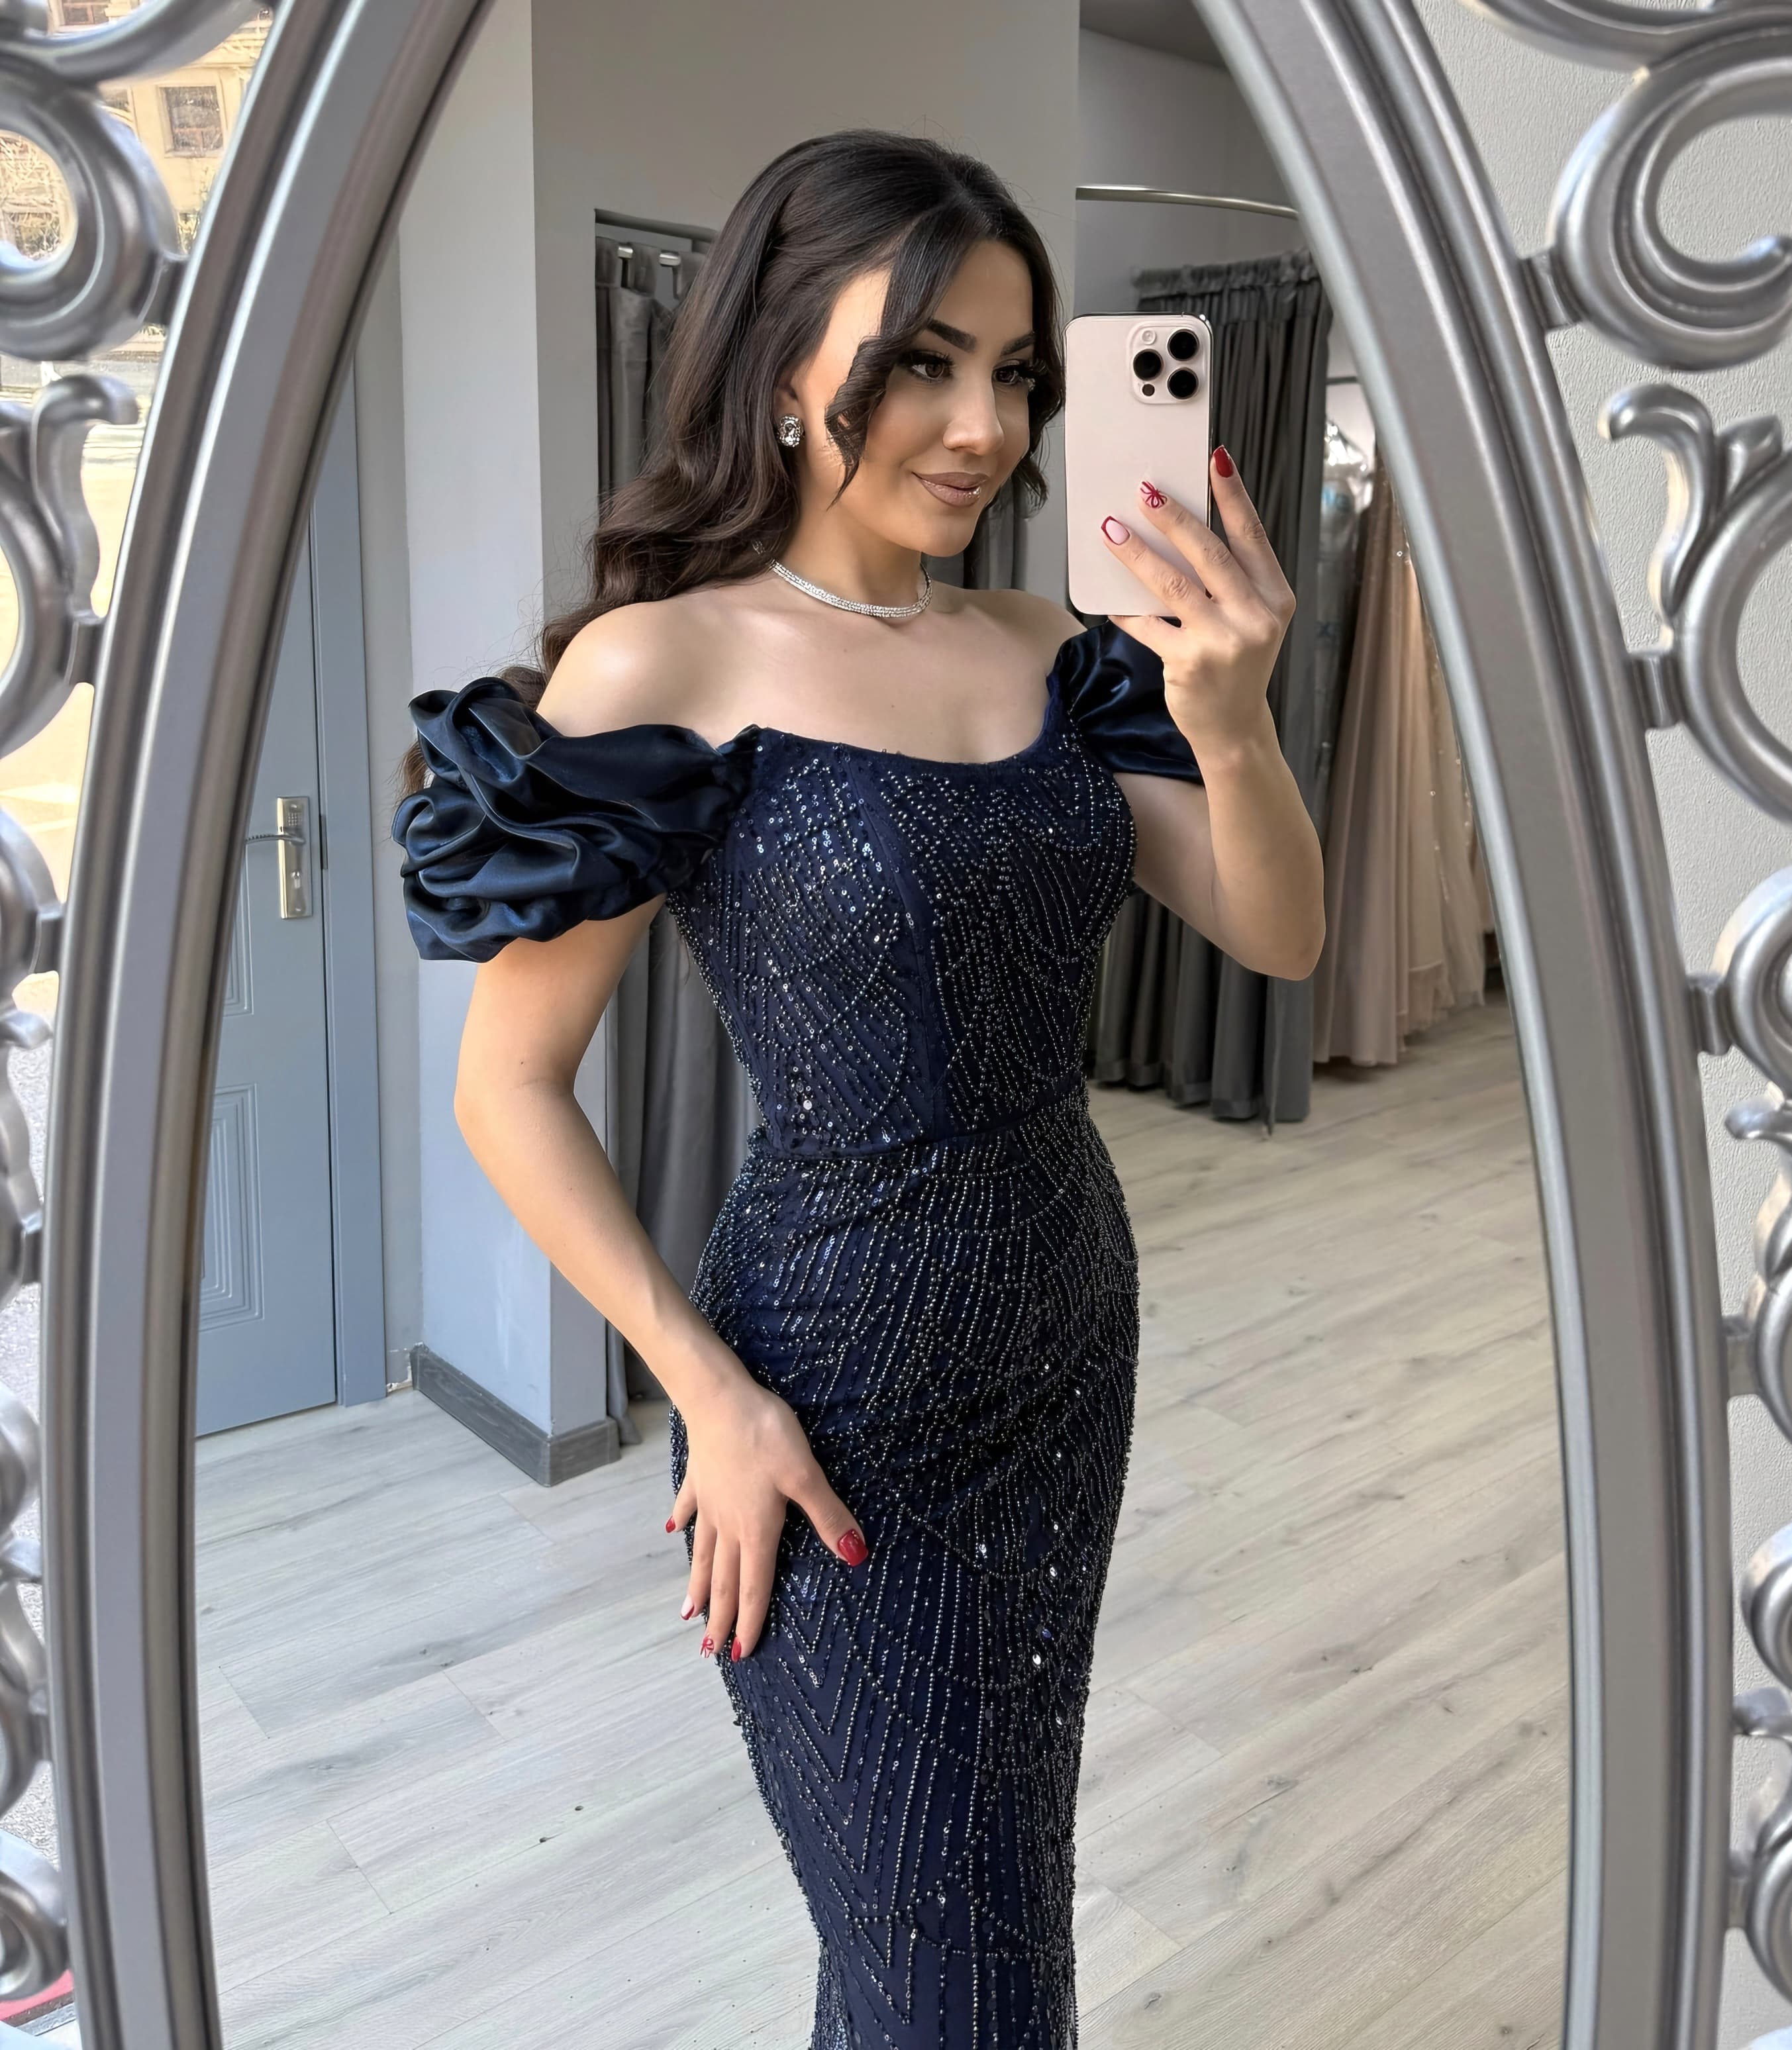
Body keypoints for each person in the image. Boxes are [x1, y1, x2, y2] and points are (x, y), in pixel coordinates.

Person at [391, 127, 1322, 2050]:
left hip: (1063, 1334)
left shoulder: (1058, 652)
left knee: (982, 1912)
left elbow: (1278, 932)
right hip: (824, 1394)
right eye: (919, 363)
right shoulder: (661, 662)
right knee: (941, 1969)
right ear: (777, 365)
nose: (981, 426)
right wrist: (705, 1393)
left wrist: (1228, 721)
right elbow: (510, 1088)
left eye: (1014, 371)